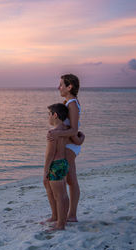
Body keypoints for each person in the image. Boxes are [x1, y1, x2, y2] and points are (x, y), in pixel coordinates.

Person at [48, 74, 85, 222]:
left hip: (70, 146)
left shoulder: (72, 104)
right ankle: (67, 215)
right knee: (70, 179)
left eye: (61, 85)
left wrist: (56, 133)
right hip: (69, 144)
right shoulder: (68, 102)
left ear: (69, 87)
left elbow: (74, 130)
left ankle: (70, 215)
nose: (59, 87)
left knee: (70, 180)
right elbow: (72, 129)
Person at [43, 103, 70, 230]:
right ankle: (60, 219)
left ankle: (60, 224)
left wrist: (46, 170)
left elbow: (50, 153)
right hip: (64, 163)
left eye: (49, 114)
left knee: (59, 196)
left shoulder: (53, 133)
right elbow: (77, 136)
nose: (48, 117)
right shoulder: (66, 129)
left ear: (55, 115)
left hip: (56, 164)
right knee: (64, 195)